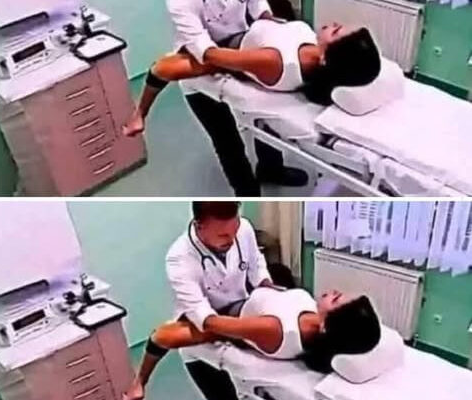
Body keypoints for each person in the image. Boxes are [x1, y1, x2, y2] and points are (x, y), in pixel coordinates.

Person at [124, 0, 313, 196]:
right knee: (226, 141)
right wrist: (249, 59)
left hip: (241, 45)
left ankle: (271, 169)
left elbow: (258, 6)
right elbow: (202, 54)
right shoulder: (181, 3)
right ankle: (247, 193)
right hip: (200, 60)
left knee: (265, 117)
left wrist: (272, 28)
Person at [125, 201, 278, 400]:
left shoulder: (244, 228)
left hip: (240, 311)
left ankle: (139, 382)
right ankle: (139, 382)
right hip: (201, 330)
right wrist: (248, 329)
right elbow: (205, 319)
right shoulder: (179, 258)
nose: (232, 239)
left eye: (235, 230)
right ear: (199, 226)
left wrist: (269, 289)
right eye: (223, 235)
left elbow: (256, 264)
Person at [123, 22, 380, 137]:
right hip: (247, 23)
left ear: (326, 59)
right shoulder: (311, 44)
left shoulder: (276, 61)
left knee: (161, 69)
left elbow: (212, 55)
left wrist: (190, 29)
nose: (333, 23)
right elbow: (276, 25)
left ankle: (139, 115)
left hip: (225, 43)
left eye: (336, 31)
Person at [125, 288, 381, 400]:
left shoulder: (276, 330)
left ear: (327, 326)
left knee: (161, 336)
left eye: (336, 299)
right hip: (247, 293)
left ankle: (139, 384)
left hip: (228, 313)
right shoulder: (311, 314)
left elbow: (213, 324)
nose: (333, 291)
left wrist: (191, 294)